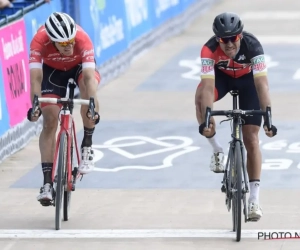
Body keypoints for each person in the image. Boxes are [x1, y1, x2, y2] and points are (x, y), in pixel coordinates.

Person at [195, 12, 278, 221]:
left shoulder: (253, 46)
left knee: (251, 139)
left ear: (240, 36)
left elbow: (262, 85)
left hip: (248, 82)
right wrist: (207, 116)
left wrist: (268, 117)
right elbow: (207, 87)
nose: (229, 44)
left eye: (234, 38)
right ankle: (217, 149)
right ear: (217, 39)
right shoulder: (208, 50)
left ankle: (254, 200)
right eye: (224, 40)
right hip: (222, 80)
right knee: (200, 100)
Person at [27, 12, 101, 205]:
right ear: (52, 41)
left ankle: (87, 145)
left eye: (71, 42)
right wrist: (35, 104)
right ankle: (46, 184)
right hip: (52, 72)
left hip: (79, 69)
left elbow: (89, 77)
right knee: (50, 120)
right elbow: (35, 78)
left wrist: (92, 103)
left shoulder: (82, 39)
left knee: (87, 90)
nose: (69, 46)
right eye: (63, 44)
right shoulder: (39, 41)